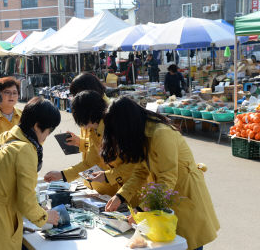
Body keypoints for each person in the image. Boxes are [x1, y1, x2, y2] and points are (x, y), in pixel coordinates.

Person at [93, 96, 219, 250]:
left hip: (184, 195)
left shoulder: (161, 134)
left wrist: (141, 210)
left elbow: (167, 178)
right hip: (164, 196)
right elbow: (140, 171)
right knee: (169, 241)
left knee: (187, 242)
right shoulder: (142, 134)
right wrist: (121, 196)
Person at [0, 97, 61, 250]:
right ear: (37, 126)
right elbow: (26, 202)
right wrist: (47, 217)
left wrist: (38, 209)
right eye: (48, 131)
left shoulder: (6, 137)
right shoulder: (25, 149)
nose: (46, 137)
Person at [44, 91, 134, 196]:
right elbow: (89, 163)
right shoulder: (94, 131)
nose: (83, 127)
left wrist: (107, 176)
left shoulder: (114, 128)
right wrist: (62, 175)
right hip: (119, 190)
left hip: (133, 189)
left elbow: (132, 165)